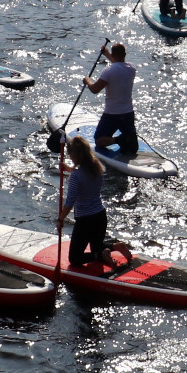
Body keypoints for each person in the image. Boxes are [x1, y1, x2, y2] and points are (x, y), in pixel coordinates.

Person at [59, 135, 109, 267]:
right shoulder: (97, 167)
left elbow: (70, 202)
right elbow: (85, 176)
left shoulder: (76, 176)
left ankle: (101, 254)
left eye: (70, 154)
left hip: (85, 221)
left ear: (75, 155)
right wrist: (68, 169)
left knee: (75, 258)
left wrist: (60, 220)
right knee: (96, 248)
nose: (69, 157)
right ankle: (113, 247)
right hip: (100, 216)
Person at [83, 42, 139, 158]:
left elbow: (94, 89)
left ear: (114, 54)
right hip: (128, 113)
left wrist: (87, 80)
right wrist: (107, 54)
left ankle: (119, 139)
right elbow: (118, 65)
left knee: (99, 141)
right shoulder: (131, 68)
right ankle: (128, 137)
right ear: (125, 54)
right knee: (130, 139)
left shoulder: (108, 71)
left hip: (112, 114)